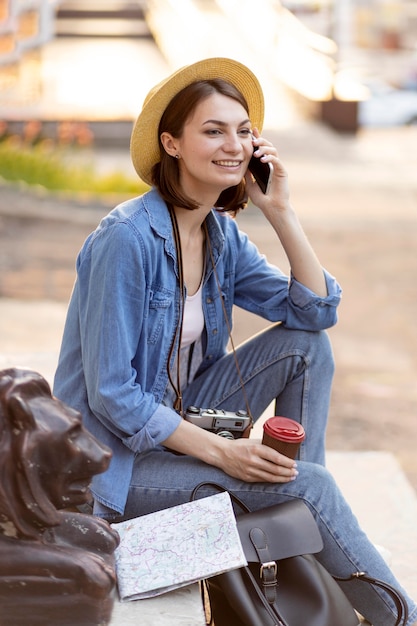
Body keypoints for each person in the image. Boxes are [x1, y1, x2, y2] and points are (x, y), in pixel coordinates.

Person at [53, 58, 417, 625]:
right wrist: (228, 454)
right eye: (214, 130)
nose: (235, 144)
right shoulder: (126, 240)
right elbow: (111, 396)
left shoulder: (220, 234)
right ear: (170, 143)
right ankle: (399, 616)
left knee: (305, 348)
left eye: (244, 131)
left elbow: (316, 312)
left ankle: (296, 508)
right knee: (309, 487)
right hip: (117, 467)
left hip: (183, 423)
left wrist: (282, 213)